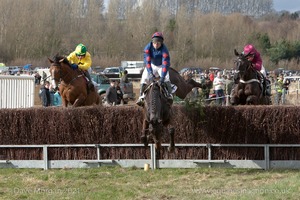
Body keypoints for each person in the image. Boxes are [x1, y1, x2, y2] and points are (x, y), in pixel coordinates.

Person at [136, 32, 172, 106]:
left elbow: (165, 63)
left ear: (161, 43)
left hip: (161, 65)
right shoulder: (147, 48)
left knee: (166, 78)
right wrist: (150, 74)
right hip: (151, 64)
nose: (156, 45)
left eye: (158, 43)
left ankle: (169, 95)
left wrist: (162, 78)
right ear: (152, 42)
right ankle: (141, 96)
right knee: (144, 77)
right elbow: (147, 61)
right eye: (155, 43)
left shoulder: (164, 50)